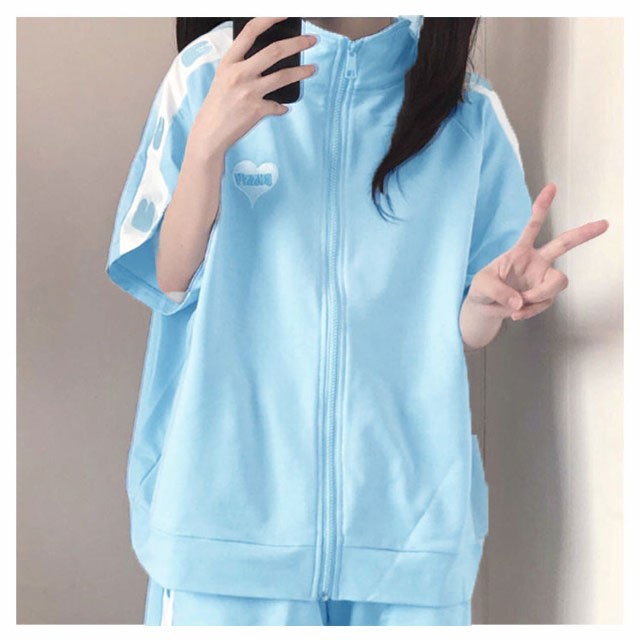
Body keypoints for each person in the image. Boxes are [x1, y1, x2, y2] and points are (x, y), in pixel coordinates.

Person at [105, 16, 609, 626]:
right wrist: (208, 144)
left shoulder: (468, 112)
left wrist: (486, 304)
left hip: (407, 545)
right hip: (225, 535)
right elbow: (169, 279)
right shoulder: (207, 74)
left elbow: (464, 326)